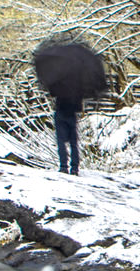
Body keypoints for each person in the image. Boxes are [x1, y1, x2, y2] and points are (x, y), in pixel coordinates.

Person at [31, 41, 109, 175]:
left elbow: (52, 92)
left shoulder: (58, 80)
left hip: (61, 111)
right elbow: (82, 98)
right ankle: (75, 167)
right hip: (72, 113)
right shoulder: (78, 84)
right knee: (73, 142)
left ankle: (63, 166)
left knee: (61, 141)